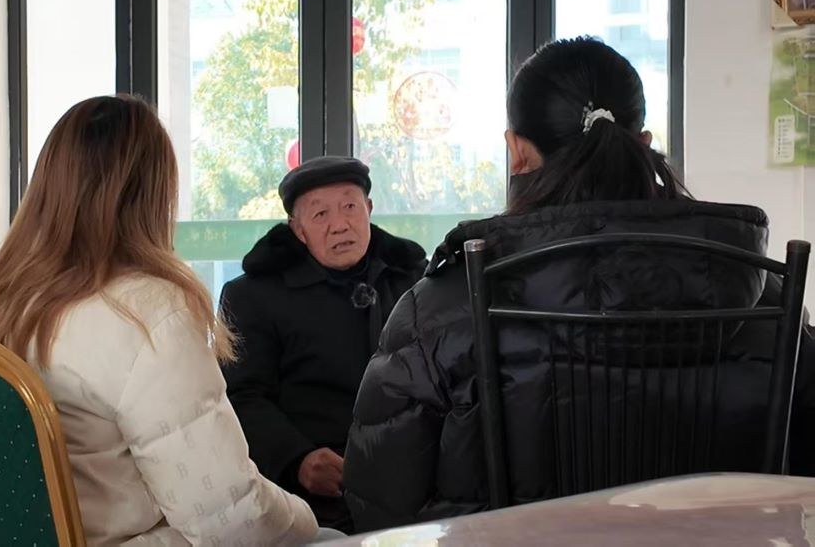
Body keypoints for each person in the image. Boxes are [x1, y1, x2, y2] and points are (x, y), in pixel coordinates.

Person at [343, 37, 815, 532]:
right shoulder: (766, 299)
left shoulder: (441, 308)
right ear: (644, 142)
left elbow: (380, 502)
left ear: (516, 151)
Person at [0, 95, 318, 546]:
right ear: (154, 193)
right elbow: (230, 521)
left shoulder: (0, 301)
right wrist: (307, 520)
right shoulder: (149, 311)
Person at [220, 156, 427, 532]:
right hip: (313, 497)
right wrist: (297, 459)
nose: (339, 225)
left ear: (369, 209)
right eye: (320, 215)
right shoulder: (252, 296)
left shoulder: (414, 280)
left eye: (350, 207)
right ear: (297, 230)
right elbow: (241, 395)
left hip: (414, 483)